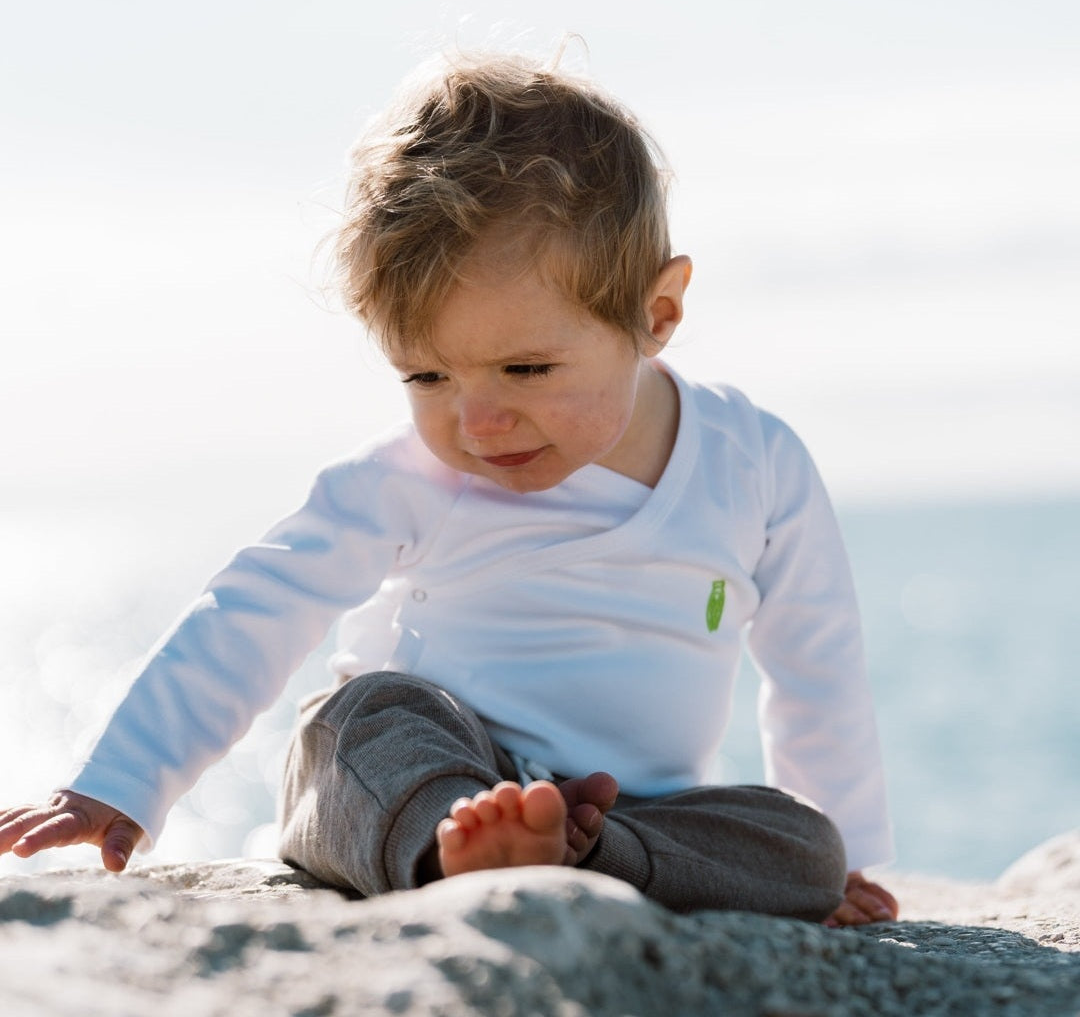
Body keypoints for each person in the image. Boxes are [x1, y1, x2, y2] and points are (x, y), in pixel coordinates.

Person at [0, 51, 898, 926]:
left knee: (800, 842)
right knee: (363, 719)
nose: (478, 424)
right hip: (419, 781)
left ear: (654, 314)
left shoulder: (755, 462)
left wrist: (848, 857)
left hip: (634, 813)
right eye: (427, 378)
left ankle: (573, 856)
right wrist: (120, 780)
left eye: (525, 367)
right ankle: (454, 844)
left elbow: (816, 659)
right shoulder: (407, 478)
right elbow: (254, 609)